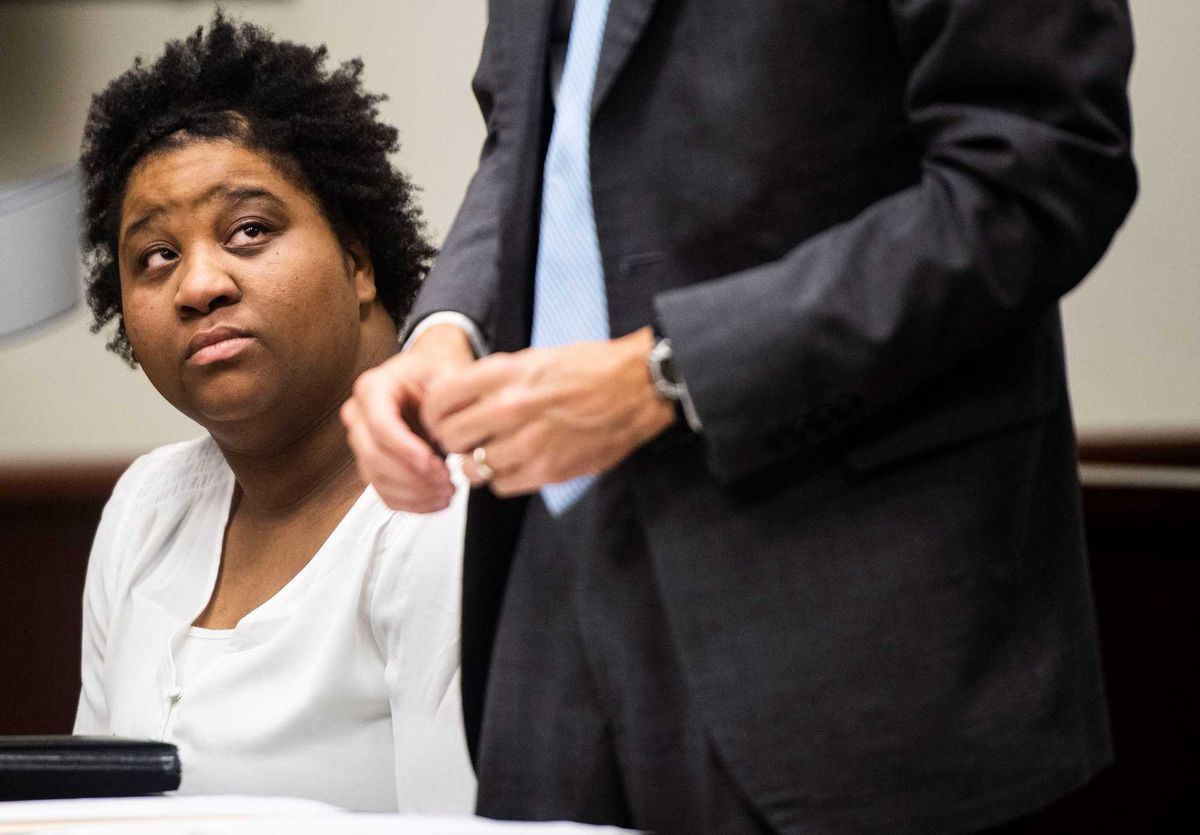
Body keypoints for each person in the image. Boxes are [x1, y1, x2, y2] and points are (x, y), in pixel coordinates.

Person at [342, 0, 1138, 832]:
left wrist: (671, 371)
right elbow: (533, 134)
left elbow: (1037, 171)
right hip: (548, 583)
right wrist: (446, 329)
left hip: (858, 599)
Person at [72, 14, 474, 813]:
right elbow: (86, 814)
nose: (198, 286)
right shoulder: (145, 509)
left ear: (357, 260)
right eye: (157, 255)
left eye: (249, 230)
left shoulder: (445, 505)